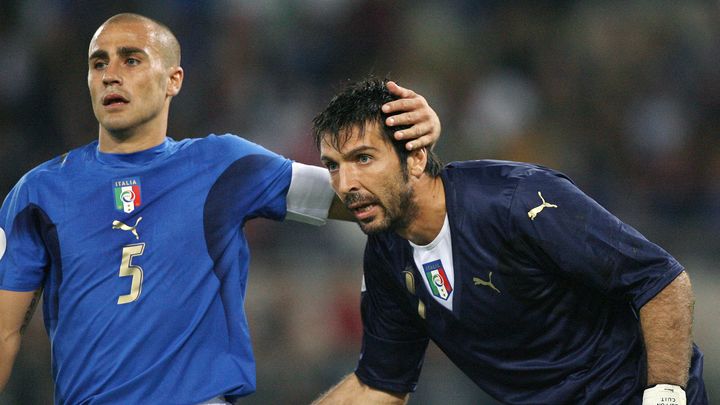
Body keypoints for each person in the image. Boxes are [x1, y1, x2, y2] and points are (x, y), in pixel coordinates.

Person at [0, 14, 442, 405]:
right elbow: (4, 331)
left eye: (131, 60)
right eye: (99, 63)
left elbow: (361, 194)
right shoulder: (38, 193)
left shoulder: (226, 165)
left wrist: (414, 146)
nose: (111, 74)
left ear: (174, 79)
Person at [311, 77, 707, 404]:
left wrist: (665, 398)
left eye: (363, 158)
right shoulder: (386, 257)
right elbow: (380, 386)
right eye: (333, 166)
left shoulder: (516, 200)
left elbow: (661, 282)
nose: (345, 185)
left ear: (414, 158)